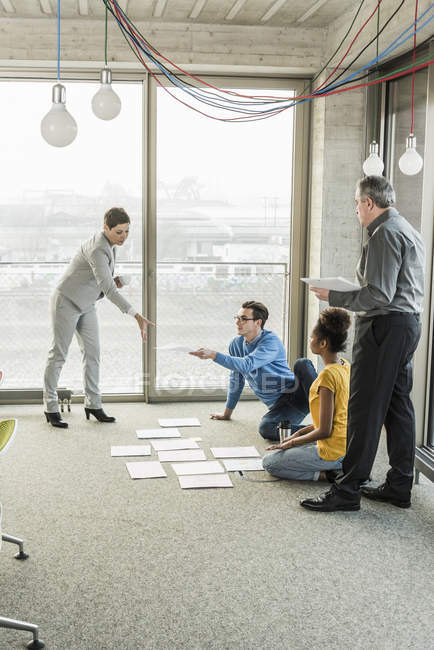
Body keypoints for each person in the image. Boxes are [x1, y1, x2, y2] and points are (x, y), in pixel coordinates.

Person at [301, 175, 424, 512]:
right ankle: (399, 485)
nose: (355, 209)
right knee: (398, 406)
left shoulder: (384, 233)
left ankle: (347, 490)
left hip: (384, 327)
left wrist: (334, 296)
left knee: (363, 409)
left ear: (369, 202)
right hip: (406, 325)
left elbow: (379, 294)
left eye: (357, 203)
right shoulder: (406, 228)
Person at [43, 207, 153, 428]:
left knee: (93, 354)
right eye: (119, 232)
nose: (123, 237)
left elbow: (101, 281)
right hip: (66, 302)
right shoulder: (98, 248)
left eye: (127, 232)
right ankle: (50, 407)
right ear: (106, 228)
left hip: (87, 304)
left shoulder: (111, 245)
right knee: (58, 355)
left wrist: (116, 280)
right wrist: (137, 316)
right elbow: (109, 290)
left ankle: (93, 404)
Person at [189, 300, 317, 439]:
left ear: (258, 322)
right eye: (237, 318)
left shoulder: (271, 341)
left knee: (302, 363)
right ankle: (320, 431)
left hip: (298, 394)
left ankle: (329, 413)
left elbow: (247, 364)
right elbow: (236, 379)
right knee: (266, 428)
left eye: (243, 319)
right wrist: (227, 413)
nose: (238, 322)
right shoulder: (236, 344)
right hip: (280, 406)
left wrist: (213, 355)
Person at [263, 308, 350, 482]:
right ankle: (338, 466)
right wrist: (295, 436)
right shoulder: (344, 365)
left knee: (270, 463)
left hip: (333, 451)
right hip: (345, 445)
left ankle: (331, 474)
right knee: (285, 449)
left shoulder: (327, 376)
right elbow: (326, 423)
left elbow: (324, 430)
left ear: (323, 343)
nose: (310, 340)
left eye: (312, 337)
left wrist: (293, 443)